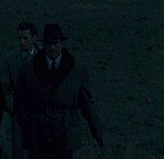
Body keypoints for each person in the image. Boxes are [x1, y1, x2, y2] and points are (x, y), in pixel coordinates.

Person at [14, 24, 104, 159]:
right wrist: (28, 125)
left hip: (65, 133)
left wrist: (97, 132)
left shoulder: (77, 70)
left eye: (56, 43)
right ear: (43, 45)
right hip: (38, 133)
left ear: (62, 44)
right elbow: (19, 102)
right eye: (49, 44)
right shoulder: (28, 69)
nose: (52, 48)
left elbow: (86, 103)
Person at [0, 21, 39, 159]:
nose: (22, 41)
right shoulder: (9, 60)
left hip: (41, 116)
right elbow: (4, 89)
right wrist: (15, 109)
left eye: (25, 38)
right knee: (19, 153)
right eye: (19, 38)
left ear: (34, 38)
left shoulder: (43, 58)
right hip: (19, 116)